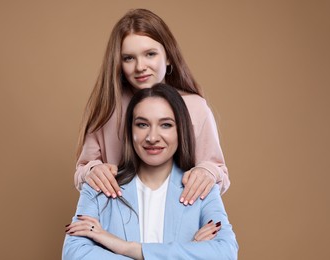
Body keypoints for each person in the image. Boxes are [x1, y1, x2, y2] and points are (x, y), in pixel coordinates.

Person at [63, 84, 238, 259]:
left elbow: (226, 253)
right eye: (142, 124)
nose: (152, 137)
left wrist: (126, 248)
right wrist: (186, 251)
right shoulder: (98, 186)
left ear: (180, 130)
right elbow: (74, 254)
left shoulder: (203, 188)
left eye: (166, 125)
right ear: (130, 130)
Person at [75, 8, 230, 206]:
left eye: (150, 54)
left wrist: (208, 172)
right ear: (118, 63)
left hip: (181, 223)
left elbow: (219, 172)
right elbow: (83, 169)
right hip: (120, 224)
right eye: (129, 58)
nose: (140, 66)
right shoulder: (109, 109)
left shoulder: (195, 108)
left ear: (168, 56)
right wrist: (92, 171)